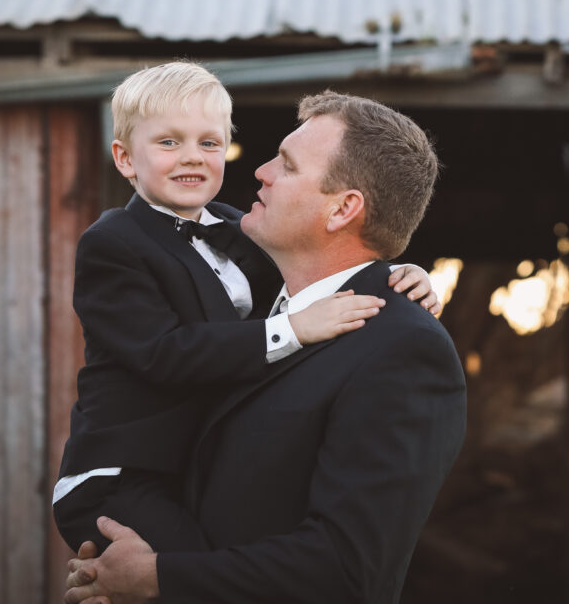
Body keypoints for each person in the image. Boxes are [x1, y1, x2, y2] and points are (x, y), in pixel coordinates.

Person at [65, 91, 467, 604]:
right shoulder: (249, 311)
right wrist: (118, 575)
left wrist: (157, 579)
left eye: (287, 165)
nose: (259, 171)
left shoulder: (403, 351)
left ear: (343, 209)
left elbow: (345, 570)